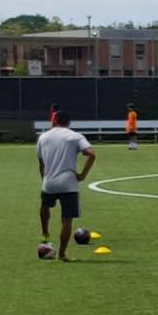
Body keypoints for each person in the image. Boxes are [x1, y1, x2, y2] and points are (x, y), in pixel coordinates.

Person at [37, 110, 97, 261]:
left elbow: (41, 163)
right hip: (68, 183)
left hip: (49, 181)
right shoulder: (75, 136)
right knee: (67, 219)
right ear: (69, 123)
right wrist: (82, 175)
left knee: (45, 206)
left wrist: (44, 179)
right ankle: (62, 254)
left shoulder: (43, 137)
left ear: (54, 120)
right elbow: (92, 154)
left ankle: (45, 234)